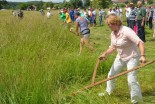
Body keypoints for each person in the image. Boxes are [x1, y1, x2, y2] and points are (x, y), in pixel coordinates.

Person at [99, 14, 146, 104]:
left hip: (132, 57)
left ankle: (136, 100)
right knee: (111, 75)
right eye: (108, 24)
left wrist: (143, 55)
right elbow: (112, 48)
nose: (108, 26)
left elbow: (140, 42)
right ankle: (108, 92)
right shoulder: (113, 34)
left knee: (131, 79)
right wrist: (105, 54)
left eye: (109, 24)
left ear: (116, 22)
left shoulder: (126, 31)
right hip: (120, 57)